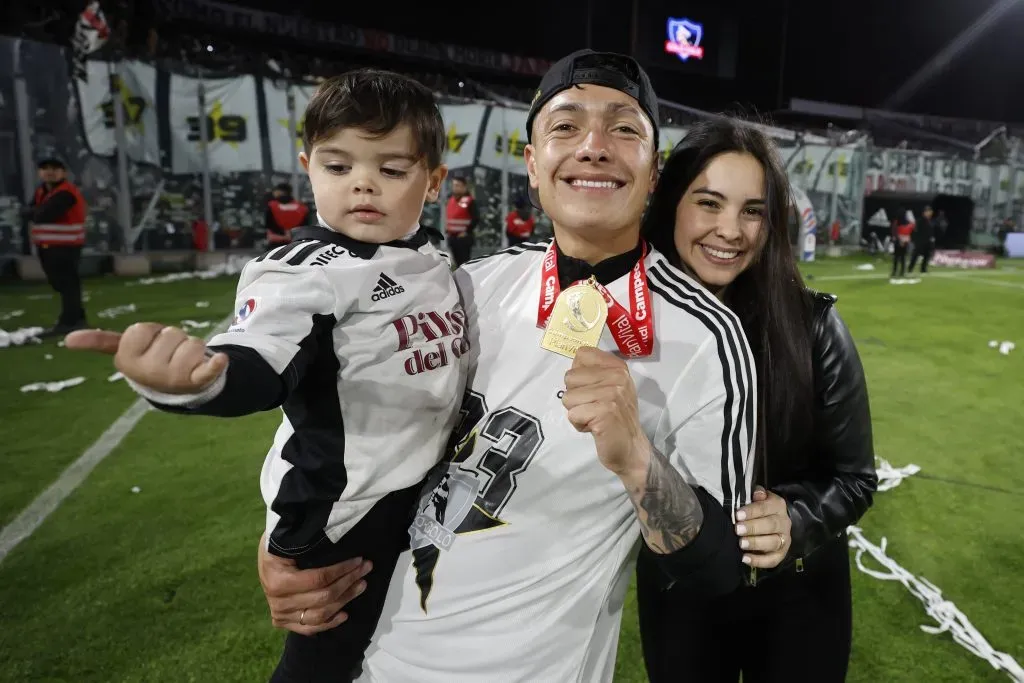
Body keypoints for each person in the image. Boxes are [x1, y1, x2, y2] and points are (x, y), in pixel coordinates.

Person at [255, 49, 756, 682]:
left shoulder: (708, 336)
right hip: (356, 653)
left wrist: (635, 456)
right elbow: (337, 415)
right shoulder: (465, 288)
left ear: (654, 171)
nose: (594, 146)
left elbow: (718, 572)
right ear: (532, 166)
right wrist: (281, 544)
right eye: (565, 126)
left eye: (624, 128)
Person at [66, 70, 466, 683]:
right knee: (323, 665)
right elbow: (262, 358)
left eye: (391, 169)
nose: (362, 183)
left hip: (414, 495)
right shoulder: (306, 272)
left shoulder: (434, 257)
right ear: (308, 167)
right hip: (341, 511)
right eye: (338, 167)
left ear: (433, 181)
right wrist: (200, 380)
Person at [638, 119, 877, 682]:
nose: (731, 230)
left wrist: (796, 517)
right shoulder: (630, 322)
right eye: (709, 203)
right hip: (682, 590)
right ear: (671, 203)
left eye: (753, 210)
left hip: (801, 592)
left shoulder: (812, 323)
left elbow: (855, 478)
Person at [28, 158, 89, 337]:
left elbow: (43, 214)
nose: (50, 172)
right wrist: (34, 213)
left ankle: (70, 320)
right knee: (61, 283)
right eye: (45, 168)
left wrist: (33, 213)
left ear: (64, 173)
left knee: (67, 283)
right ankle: (76, 317)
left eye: (55, 169)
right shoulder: (42, 191)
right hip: (49, 245)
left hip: (66, 245)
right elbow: (32, 211)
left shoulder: (65, 193)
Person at [444, 174, 477, 266]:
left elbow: (476, 218)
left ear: (464, 187)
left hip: (463, 238)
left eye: (457, 185)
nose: (455, 188)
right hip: (452, 237)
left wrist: (467, 232)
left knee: (464, 263)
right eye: (454, 185)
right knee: (457, 263)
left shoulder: (469, 201)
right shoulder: (451, 200)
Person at [908, 204, 935, 273]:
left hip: (928, 241)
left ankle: (923, 269)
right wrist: (916, 240)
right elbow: (915, 231)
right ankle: (910, 268)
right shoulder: (920, 220)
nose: (930, 213)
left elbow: (930, 232)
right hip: (920, 241)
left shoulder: (930, 221)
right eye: (928, 211)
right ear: (924, 212)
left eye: (930, 211)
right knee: (915, 255)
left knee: (927, 256)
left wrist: (931, 239)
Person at [891, 212, 914, 279]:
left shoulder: (897, 222)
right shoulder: (908, 223)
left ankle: (896, 271)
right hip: (904, 241)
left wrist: (898, 240)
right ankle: (901, 271)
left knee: (897, 257)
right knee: (902, 257)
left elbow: (894, 232)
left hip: (900, 241)